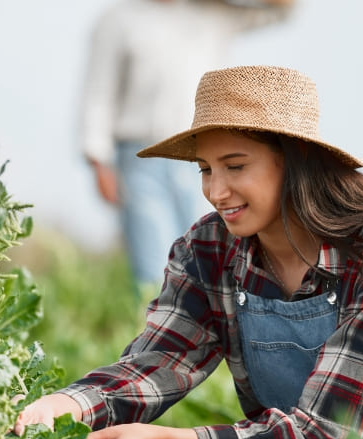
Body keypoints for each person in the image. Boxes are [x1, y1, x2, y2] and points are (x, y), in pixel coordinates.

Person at [17, 65, 363, 439]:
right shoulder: (208, 249)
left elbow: (325, 431)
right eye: (205, 169)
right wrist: (69, 405)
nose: (215, 191)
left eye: (235, 166)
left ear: (294, 160)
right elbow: (159, 363)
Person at [81, 0, 295, 287]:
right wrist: (99, 161)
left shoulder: (214, 13)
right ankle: (159, 327)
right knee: (153, 267)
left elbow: (280, 10)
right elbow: (98, 93)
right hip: (140, 156)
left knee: (211, 260)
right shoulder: (118, 20)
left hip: (206, 156)